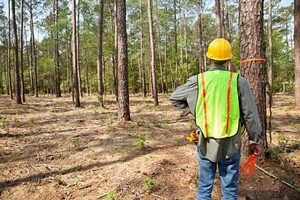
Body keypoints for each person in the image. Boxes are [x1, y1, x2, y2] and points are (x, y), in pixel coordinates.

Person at [170, 38, 263, 200]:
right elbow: (250, 115)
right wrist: (254, 140)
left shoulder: (198, 80)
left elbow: (175, 97)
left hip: (205, 142)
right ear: (229, 59)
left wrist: (195, 112)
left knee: (205, 187)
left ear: (209, 58)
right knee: (229, 189)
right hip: (231, 144)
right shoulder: (238, 81)